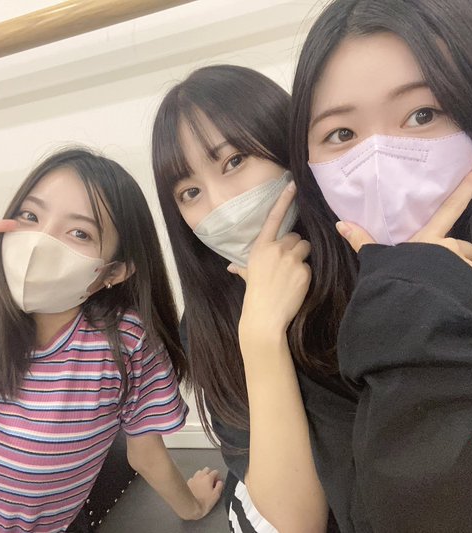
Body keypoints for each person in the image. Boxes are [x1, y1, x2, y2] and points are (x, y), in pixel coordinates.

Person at [288, 0, 472, 531]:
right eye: (341, 135)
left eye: (423, 114)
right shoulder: (317, 320)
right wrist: (410, 311)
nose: (379, 164)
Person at [0, 148, 223, 533]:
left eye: (79, 233)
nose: (39, 241)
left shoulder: (126, 346)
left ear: (113, 272)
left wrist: (192, 508)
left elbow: (146, 453)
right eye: (30, 216)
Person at [151, 64, 347, 533]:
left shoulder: (368, 258)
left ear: (286, 144)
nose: (220, 203)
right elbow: (295, 522)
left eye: (234, 161)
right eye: (190, 192)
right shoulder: (207, 323)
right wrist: (261, 333)